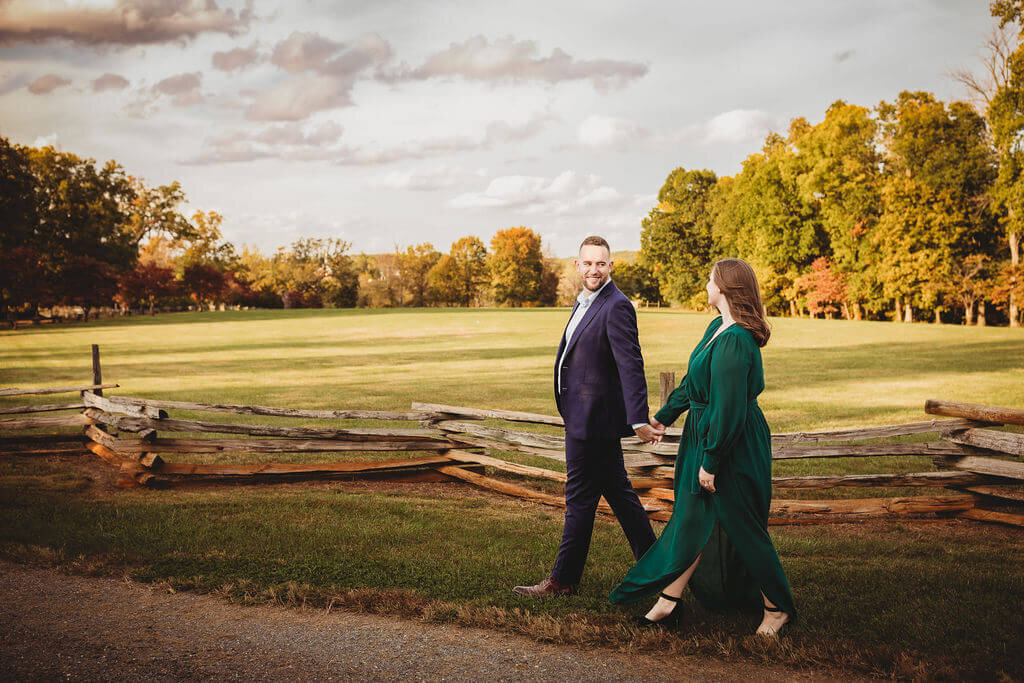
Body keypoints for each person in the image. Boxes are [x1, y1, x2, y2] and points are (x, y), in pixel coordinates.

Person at [609, 258, 796, 637]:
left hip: (731, 445)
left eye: (710, 279)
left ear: (724, 288)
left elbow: (729, 411)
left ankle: (778, 609)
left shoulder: (737, 341)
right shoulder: (716, 327)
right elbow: (695, 384)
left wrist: (710, 462)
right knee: (691, 519)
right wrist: (663, 417)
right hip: (705, 435)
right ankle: (667, 603)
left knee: (744, 526)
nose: (706, 285)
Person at [513, 235, 663, 597]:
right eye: (588, 263)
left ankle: (563, 582)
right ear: (577, 265)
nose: (594, 269)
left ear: (611, 266)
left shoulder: (616, 305)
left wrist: (638, 418)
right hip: (582, 416)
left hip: (594, 422)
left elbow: (631, 364)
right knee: (621, 496)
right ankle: (659, 567)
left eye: (601, 263)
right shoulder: (585, 301)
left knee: (579, 498)